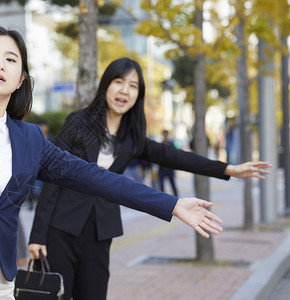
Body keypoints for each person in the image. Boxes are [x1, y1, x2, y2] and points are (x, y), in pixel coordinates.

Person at [28, 57, 272, 300]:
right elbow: (53, 177)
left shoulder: (132, 138)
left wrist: (228, 169)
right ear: (106, 85)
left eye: (133, 86)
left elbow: (175, 157)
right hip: (61, 228)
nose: (125, 90)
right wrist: (38, 235)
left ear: (138, 95)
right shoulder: (78, 122)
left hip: (101, 230)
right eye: (119, 82)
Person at [158, 129, 178, 196]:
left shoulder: (171, 144)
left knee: (172, 183)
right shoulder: (160, 144)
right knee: (161, 185)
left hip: (169, 168)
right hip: (162, 168)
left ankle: (176, 196)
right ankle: (162, 197)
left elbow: (174, 155)